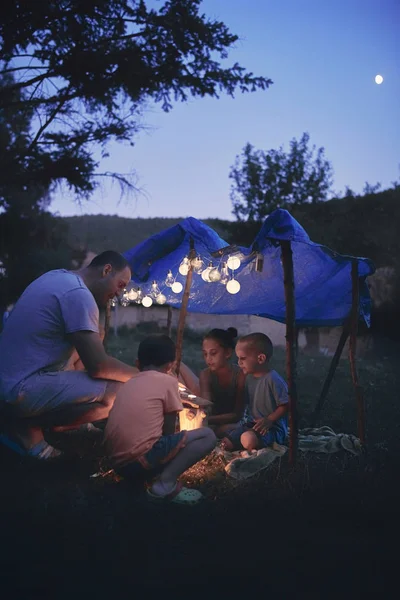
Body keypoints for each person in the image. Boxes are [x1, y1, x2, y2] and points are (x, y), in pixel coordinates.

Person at [0, 251, 138, 460]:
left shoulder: (56, 277)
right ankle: (29, 429)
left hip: (10, 377)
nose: (119, 294)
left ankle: (59, 423)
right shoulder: (77, 294)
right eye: (120, 285)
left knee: (96, 334)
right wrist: (144, 376)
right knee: (119, 392)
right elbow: (99, 366)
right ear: (106, 270)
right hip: (19, 390)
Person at [104, 334, 216, 505]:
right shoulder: (168, 381)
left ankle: (138, 481)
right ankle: (165, 484)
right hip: (140, 462)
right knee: (208, 436)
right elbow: (169, 428)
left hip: (117, 464)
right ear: (170, 366)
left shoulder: (129, 383)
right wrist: (174, 447)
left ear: (137, 363)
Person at [221, 333, 288, 453]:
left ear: (260, 359)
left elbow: (287, 405)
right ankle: (247, 442)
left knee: (247, 439)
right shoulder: (248, 378)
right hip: (252, 425)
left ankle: (251, 445)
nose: (239, 362)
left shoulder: (273, 379)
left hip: (271, 428)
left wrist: (269, 419)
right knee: (226, 443)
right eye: (238, 358)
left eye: (243, 358)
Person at [199, 327, 245, 437]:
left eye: (213, 353)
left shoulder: (240, 375)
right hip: (213, 422)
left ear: (228, 353)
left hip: (235, 422)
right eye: (205, 354)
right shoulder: (206, 375)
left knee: (226, 430)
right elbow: (207, 405)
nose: (208, 359)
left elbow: (237, 415)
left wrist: (206, 420)